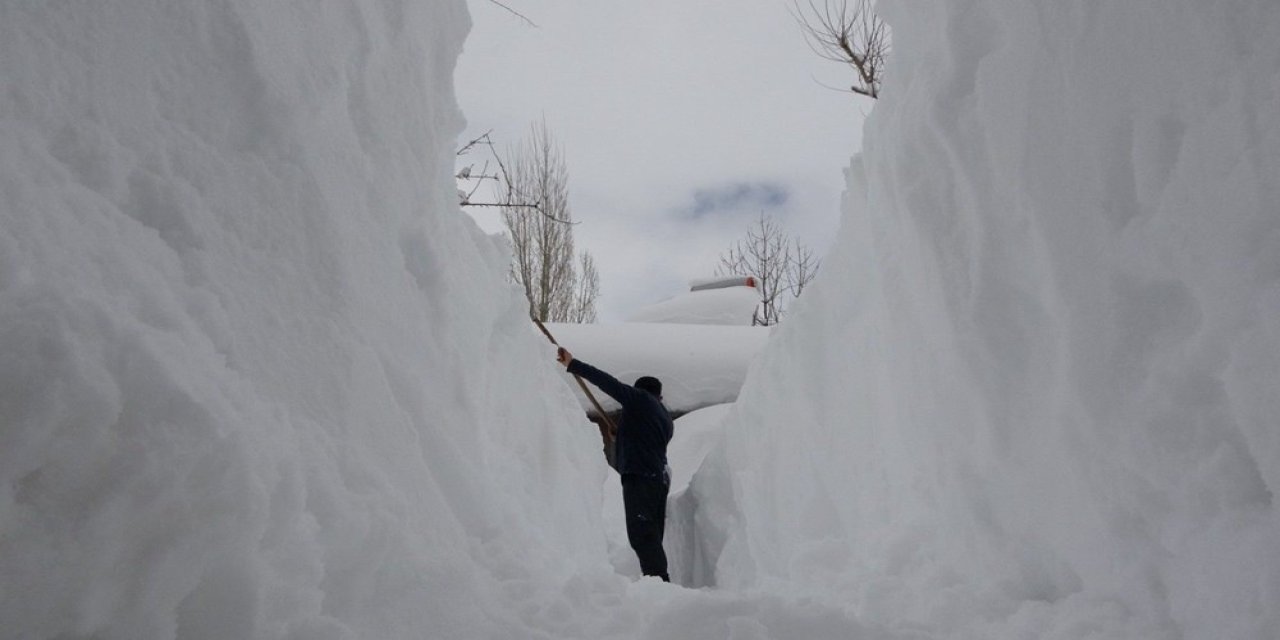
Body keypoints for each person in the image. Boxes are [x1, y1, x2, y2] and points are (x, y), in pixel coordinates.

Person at [557, 347, 673, 582]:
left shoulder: (639, 399)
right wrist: (620, 434)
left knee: (642, 534)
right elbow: (645, 440)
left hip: (640, 476)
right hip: (657, 479)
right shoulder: (664, 416)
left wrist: (573, 364)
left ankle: (659, 582)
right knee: (652, 534)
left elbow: (607, 383)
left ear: (640, 391)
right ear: (659, 396)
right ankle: (658, 580)